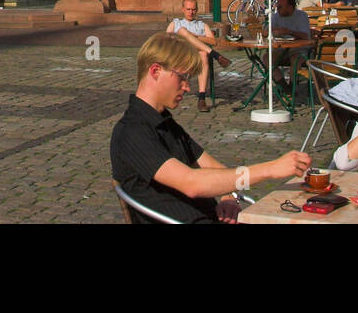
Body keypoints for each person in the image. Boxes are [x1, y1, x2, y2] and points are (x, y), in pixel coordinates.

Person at [111, 33, 311, 223]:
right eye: (182, 77)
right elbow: (191, 184)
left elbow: (214, 167)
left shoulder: (164, 122)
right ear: (155, 71)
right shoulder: (132, 132)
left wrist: (228, 195)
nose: (187, 87)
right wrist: (270, 169)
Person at [165, 0, 231, 112]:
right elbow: (166, 39)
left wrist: (195, 36)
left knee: (203, 54)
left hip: (196, 57)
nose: (191, 12)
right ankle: (216, 56)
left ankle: (201, 98)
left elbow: (213, 41)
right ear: (183, 9)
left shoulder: (201, 25)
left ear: (197, 10)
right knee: (182, 31)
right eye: (188, 9)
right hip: (180, 55)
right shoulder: (176, 23)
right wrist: (185, 36)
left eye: (193, 9)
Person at [270, 0, 312, 87]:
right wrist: (270, 32)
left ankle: (293, 86)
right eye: (277, 6)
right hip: (280, 49)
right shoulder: (275, 17)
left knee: (295, 59)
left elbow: (306, 36)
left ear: (290, 7)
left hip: (299, 49)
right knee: (267, 58)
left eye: (280, 6)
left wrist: (290, 32)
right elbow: (266, 32)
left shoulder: (302, 16)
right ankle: (283, 86)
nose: (278, 8)